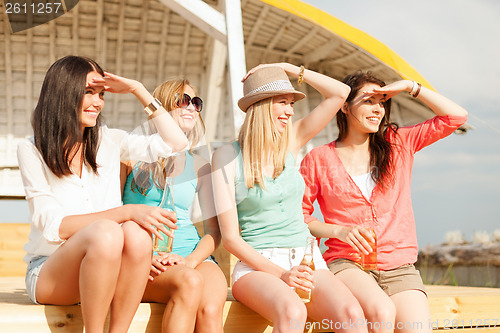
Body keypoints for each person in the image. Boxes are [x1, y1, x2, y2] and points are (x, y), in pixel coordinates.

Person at [17, 55, 189, 333]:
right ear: (64, 92)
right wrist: (125, 212)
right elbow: (53, 226)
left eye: (101, 94)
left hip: (104, 270)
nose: (98, 102)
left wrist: (138, 90)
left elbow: (176, 142)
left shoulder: (109, 141)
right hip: (50, 272)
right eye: (88, 92)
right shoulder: (32, 149)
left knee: (136, 234)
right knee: (109, 231)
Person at [300, 71, 468, 333]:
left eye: (382, 102)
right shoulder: (318, 158)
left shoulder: (399, 142)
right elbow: (300, 216)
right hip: (348, 263)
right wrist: (338, 231)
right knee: (381, 311)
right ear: (344, 106)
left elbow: (456, 117)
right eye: (369, 101)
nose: (378, 109)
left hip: (400, 267)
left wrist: (410, 87)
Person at [212, 63, 368, 333]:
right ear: (261, 105)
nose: (290, 110)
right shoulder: (226, 158)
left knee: (352, 315)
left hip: (307, 260)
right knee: (293, 312)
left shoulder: (291, 141)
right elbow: (231, 239)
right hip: (257, 267)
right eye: (282, 102)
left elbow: (340, 93)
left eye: (291, 103)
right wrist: (282, 274)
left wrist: (287, 68)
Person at [121, 79, 227, 333]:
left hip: (191, 256)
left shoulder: (200, 164)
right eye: (183, 100)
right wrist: (142, 260)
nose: (191, 107)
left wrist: (189, 261)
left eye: (196, 103)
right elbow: (112, 216)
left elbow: (214, 232)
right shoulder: (130, 158)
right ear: (164, 107)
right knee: (189, 282)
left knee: (211, 311)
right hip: (144, 261)